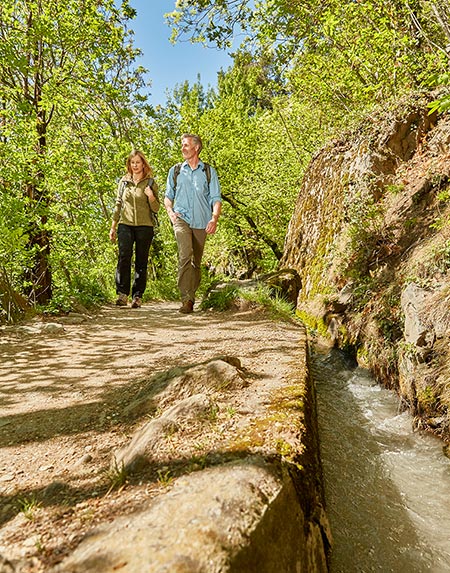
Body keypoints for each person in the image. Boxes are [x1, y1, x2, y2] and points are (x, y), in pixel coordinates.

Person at [164, 134, 222, 314]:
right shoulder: (176, 170)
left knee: (196, 261)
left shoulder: (208, 171)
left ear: (196, 148)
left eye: (186, 145)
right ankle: (186, 299)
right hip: (181, 219)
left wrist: (214, 218)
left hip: (201, 221)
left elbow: (216, 198)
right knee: (185, 254)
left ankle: (192, 294)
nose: (182, 148)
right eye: (182, 145)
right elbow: (168, 196)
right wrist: (170, 212)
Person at [109, 150, 160, 308]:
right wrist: (113, 227)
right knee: (124, 257)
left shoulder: (150, 183)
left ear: (143, 164)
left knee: (141, 261)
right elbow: (118, 204)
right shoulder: (124, 182)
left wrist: (150, 196)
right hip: (125, 224)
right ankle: (122, 294)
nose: (135, 165)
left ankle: (137, 296)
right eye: (133, 163)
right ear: (129, 165)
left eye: (138, 162)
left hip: (145, 226)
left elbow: (156, 208)